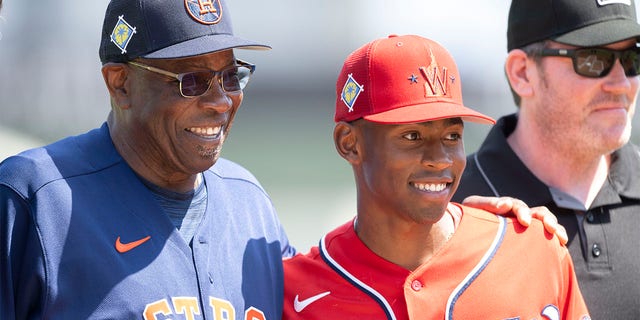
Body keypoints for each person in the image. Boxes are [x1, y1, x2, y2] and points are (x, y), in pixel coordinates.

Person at [0, 0, 296, 318]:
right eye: (192, 81)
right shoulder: (36, 197)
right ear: (120, 84)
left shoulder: (251, 205)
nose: (221, 101)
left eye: (231, 77)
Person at [283, 34, 590, 320]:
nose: (439, 158)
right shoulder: (293, 291)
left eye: (452, 135)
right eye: (413, 135)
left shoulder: (534, 249)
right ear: (349, 143)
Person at [452, 0, 640, 318]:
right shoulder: (451, 212)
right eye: (594, 59)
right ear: (523, 73)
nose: (622, 83)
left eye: (633, 57)